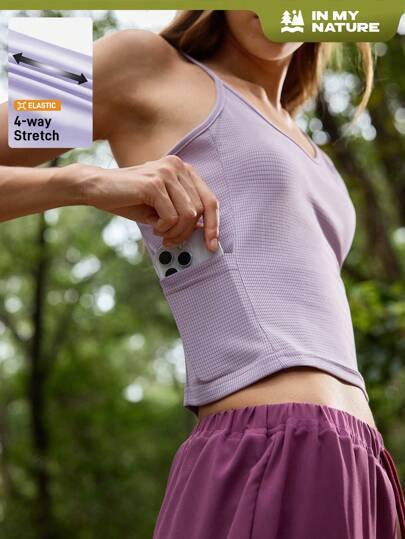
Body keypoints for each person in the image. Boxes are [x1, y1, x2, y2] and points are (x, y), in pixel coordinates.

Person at [1, 10, 404, 538]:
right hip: (264, 450)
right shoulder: (139, 59)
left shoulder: (311, 148)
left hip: (363, 469)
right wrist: (85, 182)